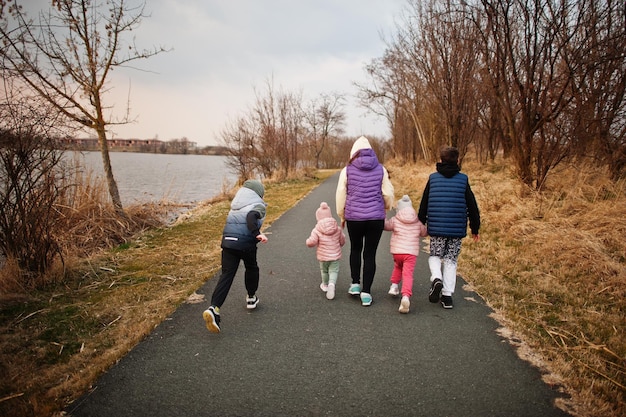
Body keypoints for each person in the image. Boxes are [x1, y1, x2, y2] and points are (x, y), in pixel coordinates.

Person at [418, 146, 480, 309]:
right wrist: (475, 228)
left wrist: (420, 223)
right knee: (451, 260)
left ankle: (436, 277)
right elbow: (472, 205)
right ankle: (447, 296)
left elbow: (424, 203)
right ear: (457, 160)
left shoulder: (433, 178)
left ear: (441, 159)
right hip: (456, 229)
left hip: (437, 227)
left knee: (435, 255)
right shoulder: (463, 179)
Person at [203, 179, 269, 333]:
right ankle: (251, 297)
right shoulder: (257, 205)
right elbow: (251, 218)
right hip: (245, 243)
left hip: (228, 243)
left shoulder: (235, 205)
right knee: (251, 267)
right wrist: (257, 233)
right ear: (258, 193)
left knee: (227, 274)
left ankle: (214, 308)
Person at [336, 136, 395, 306]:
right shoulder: (381, 170)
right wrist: (385, 208)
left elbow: (341, 195)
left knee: (355, 249)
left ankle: (355, 283)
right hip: (375, 218)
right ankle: (366, 293)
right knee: (370, 254)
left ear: (353, 153)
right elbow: (388, 194)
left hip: (354, 218)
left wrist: (342, 215)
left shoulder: (346, 170)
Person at [384, 195, 427, 313]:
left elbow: (386, 226)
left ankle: (394, 286)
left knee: (398, 267)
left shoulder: (395, 219)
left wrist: (383, 215)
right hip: (411, 253)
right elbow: (424, 232)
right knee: (407, 274)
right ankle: (406, 296)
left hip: (397, 252)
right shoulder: (417, 221)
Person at [305, 202, 346, 300]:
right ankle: (332, 284)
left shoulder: (317, 229)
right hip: (335, 255)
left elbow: (312, 242)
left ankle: (325, 285)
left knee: (324, 271)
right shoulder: (337, 228)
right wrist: (340, 244)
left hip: (323, 256)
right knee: (334, 271)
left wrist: (308, 242)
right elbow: (342, 240)